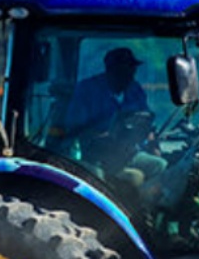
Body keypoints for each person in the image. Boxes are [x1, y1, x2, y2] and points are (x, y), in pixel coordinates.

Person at [61, 46, 164, 184]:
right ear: (111, 69)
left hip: (128, 153)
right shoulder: (87, 90)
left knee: (159, 165)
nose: (130, 74)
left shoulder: (135, 90)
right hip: (94, 156)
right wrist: (103, 136)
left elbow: (144, 121)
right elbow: (73, 128)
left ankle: (148, 203)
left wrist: (151, 141)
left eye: (132, 69)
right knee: (97, 180)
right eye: (124, 70)